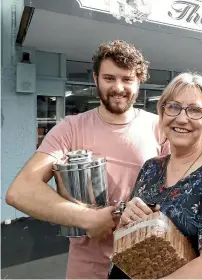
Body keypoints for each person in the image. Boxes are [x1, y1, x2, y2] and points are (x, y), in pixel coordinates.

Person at [6, 40, 168, 279]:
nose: (118, 87)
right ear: (95, 78)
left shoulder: (159, 128)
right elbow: (20, 191)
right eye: (109, 78)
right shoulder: (70, 129)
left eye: (127, 79)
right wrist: (88, 218)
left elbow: (178, 194)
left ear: (139, 81)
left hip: (143, 264)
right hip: (87, 268)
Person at [108, 72, 202, 279]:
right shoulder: (151, 168)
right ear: (162, 113)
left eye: (195, 110)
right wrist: (126, 219)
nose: (182, 118)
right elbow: (125, 239)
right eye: (173, 107)